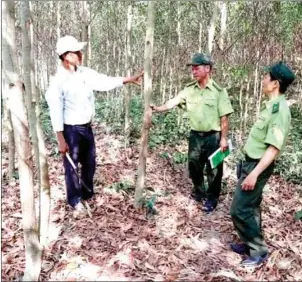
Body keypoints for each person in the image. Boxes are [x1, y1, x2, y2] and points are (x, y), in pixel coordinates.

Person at [46, 35, 143, 217]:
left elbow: (103, 81)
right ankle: (75, 201)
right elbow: (55, 111)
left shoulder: (84, 73)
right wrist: (60, 138)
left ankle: (87, 193)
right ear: (66, 56)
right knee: (72, 166)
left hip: (86, 127)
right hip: (71, 130)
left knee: (90, 163)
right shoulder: (58, 81)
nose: (80, 54)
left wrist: (127, 80)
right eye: (76, 52)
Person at [230, 61, 295, 267]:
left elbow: (273, 148)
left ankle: (258, 252)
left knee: (239, 209)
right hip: (250, 162)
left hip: (258, 166)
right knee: (252, 207)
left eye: (267, 77)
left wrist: (254, 174)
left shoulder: (279, 110)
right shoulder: (271, 106)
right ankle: (250, 243)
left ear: (275, 83)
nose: (263, 80)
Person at [150, 53, 234, 212]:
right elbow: (173, 102)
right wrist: (158, 108)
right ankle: (199, 192)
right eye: (192, 68)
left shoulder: (219, 91)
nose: (193, 71)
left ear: (207, 69)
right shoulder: (189, 90)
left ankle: (212, 199)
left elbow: (224, 117)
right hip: (196, 136)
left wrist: (223, 139)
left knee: (214, 169)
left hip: (214, 137)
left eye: (197, 68)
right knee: (194, 165)